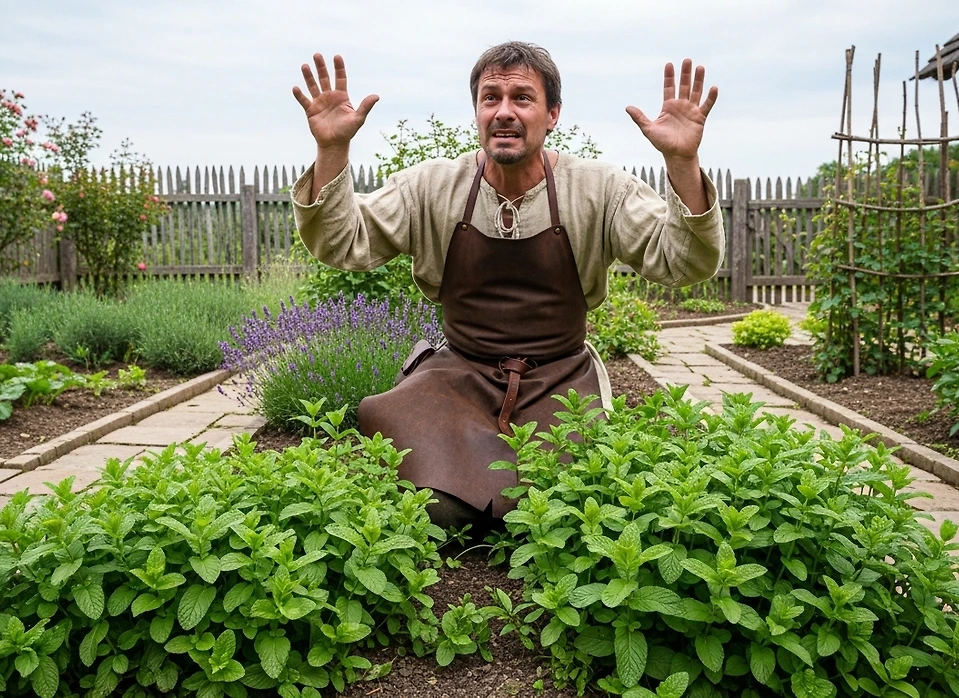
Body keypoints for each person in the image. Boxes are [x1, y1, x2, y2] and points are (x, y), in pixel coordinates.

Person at [290, 42, 724, 532]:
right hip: (458, 377)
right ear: (477, 112)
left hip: (562, 381)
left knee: (568, 503)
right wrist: (332, 149)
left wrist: (683, 161)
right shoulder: (431, 187)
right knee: (433, 505)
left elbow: (685, 262)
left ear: (552, 114)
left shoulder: (600, 189)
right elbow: (342, 243)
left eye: (522, 98)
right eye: (490, 97)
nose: (504, 111)